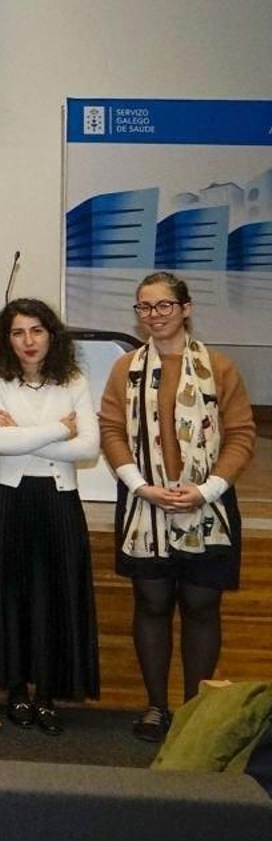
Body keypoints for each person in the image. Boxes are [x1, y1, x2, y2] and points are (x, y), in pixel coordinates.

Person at [97, 272, 254, 742]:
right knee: (152, 601)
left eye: (164, 306)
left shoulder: (220, 368)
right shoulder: (125, 368)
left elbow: (242, 434)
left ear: (185, 309)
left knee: (202, 606)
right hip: (144, 503)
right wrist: (140, 486)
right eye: (145, 307)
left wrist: (207, 489)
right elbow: (110, 431)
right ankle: (156, 707)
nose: (154, 316)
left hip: (209, 505)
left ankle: (192, 713)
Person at [0, 299, 101, 736]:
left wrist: (23, 437)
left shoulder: (74, 380)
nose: (28, 342)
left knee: (55, 596)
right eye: (17, 333)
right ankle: (16, 690)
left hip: (59, 500)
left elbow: (88, 448)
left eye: (37, 331)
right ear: (6, 340)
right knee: (10, 594)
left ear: (52, 335)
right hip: (9, 499)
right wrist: (60, 429)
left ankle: (47, 693)